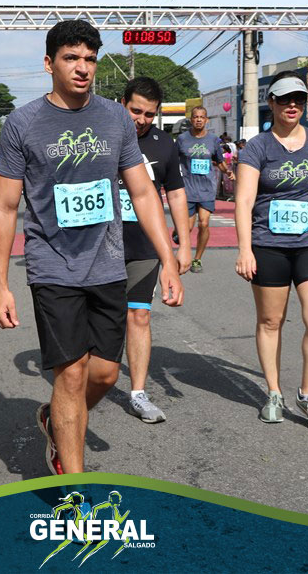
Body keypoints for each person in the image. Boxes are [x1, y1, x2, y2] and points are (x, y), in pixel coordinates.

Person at [0, 20, 183, 474]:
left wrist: (170, 259)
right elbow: (4, 206)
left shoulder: (115, 119)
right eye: (71, 58)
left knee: (105, 374)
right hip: (52, 265)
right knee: (71, 373)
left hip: (108, 264)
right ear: (49, 63)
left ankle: (55, 419)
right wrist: (0, 285)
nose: (82, 68)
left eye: (90, 59)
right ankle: (73, 487)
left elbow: (142, 193)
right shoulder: (22, 124)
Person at [233, 71, 308, 432]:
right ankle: (273, 393)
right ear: (271, 102)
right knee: (271, 322)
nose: (292, 105)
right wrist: (244, 249)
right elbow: (244, 201)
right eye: (285, 99)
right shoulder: (257, 147)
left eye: (299, 100)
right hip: (268, 245)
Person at [119, 76, 192, 423]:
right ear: (122, 104)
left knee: (139, 315)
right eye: (135, 111)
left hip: (144, 246)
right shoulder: (103, 137)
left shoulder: (165, 144)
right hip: (99, 247)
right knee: (98, 318)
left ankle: (138, 392)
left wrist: (183, 245)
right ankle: (86, 382)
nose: (142, 120)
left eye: (149, 114)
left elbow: (175, 194)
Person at [177, 106, 235, 273]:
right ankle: (181, 245)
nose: (199, 119)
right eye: (196, 117)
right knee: (187, 228)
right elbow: (172, 161)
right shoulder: (182, 139)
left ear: (207, 120)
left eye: (202, 117)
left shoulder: (213, 140)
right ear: (191, 119)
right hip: (187, 188)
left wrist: (228, 172)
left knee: (204, 223)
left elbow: (219, 161)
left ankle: (197, 259)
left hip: (207, 189)